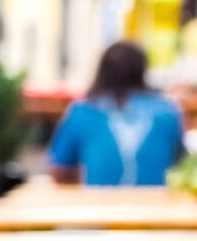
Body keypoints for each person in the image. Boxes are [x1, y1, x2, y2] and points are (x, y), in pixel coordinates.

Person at [48, 41, 184, 186]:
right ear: (143, 71)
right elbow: (180, 163)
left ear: (102, 71)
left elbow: (60, 169)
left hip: (99, 199)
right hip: (154, 198)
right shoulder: (166, 111)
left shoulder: (83, 111)